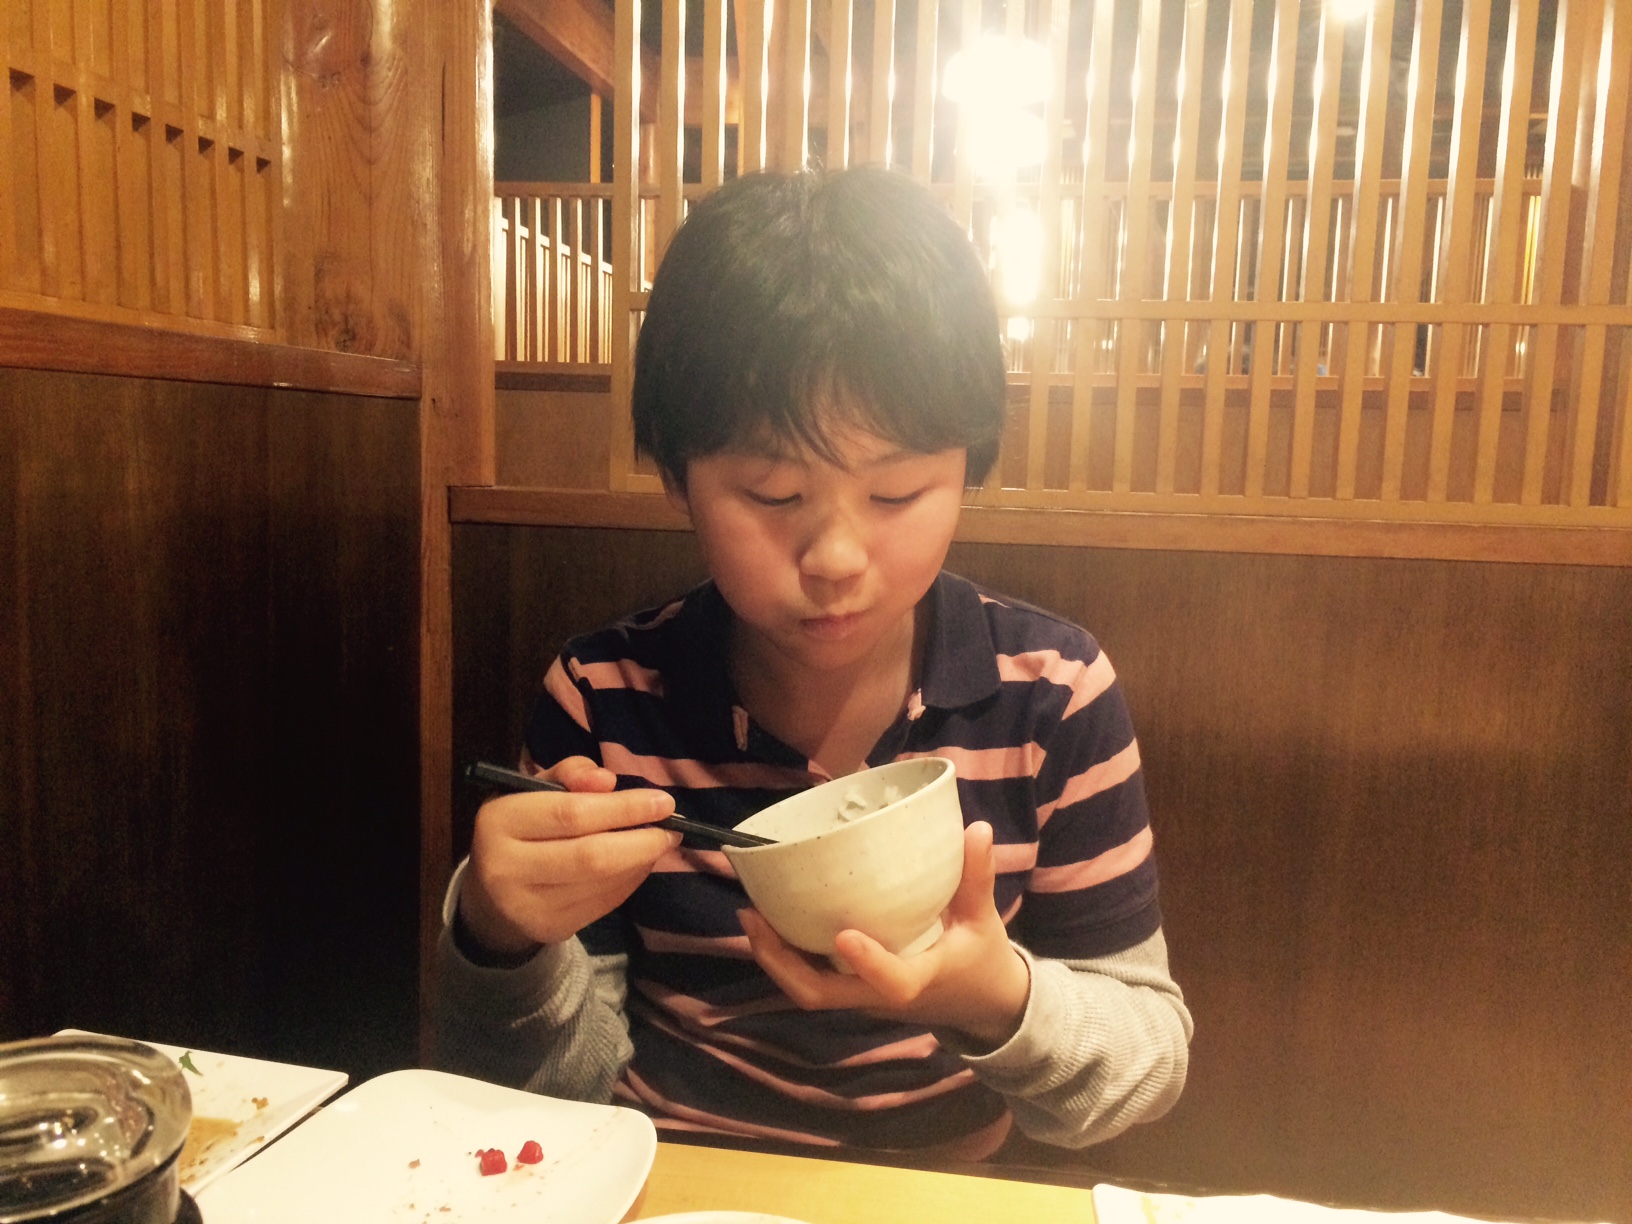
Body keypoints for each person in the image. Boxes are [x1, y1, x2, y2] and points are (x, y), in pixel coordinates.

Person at [434, 167, 1191, 1157]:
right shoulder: (606, 697)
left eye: (896, 495)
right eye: (774, 495)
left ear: (968, 470)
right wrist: (501, 942)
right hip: (675, 1180)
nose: (835, 558)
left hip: (937, 1192)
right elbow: (557, 1093)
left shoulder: (1051, 694)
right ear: (678, 481)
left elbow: (1146, 1062)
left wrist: (994, 999)